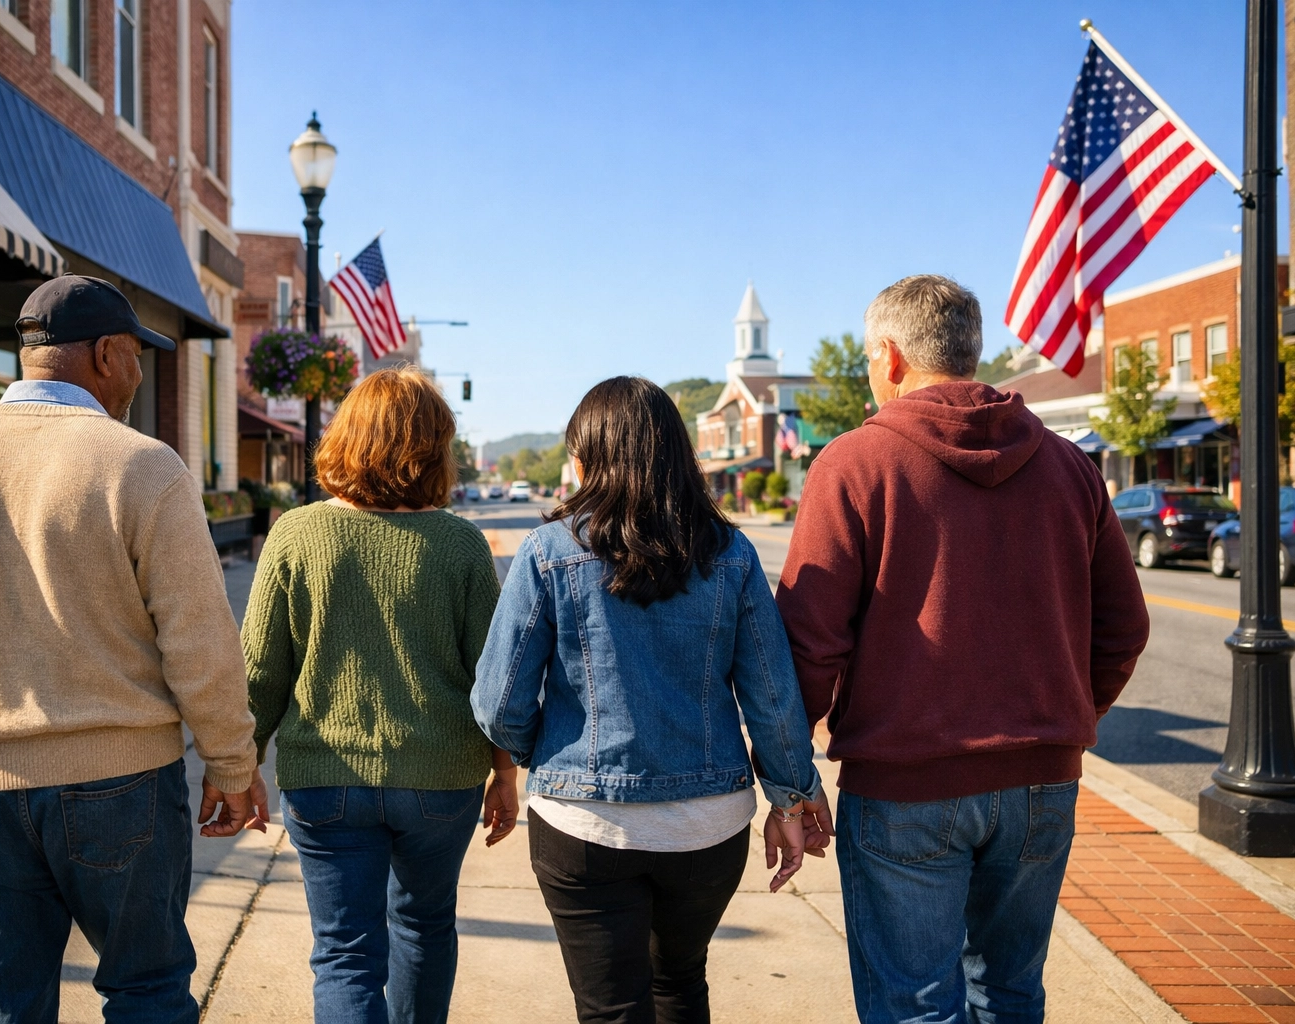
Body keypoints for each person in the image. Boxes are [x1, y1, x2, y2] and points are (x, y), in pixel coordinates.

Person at [0, 275, 270, 1023]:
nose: (140, 373)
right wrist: (232, 764)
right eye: (138, 355)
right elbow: (200, 640)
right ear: (107, 354)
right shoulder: (143, 466)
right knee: (145, 992)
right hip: (122, 782)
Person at [776, 275, 1150, 1024]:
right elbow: (1123, 628)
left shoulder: (855, 463)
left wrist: (791, 775)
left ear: (887, 357)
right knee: (1010, 994)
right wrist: (1063, 715)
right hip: (1044, 783)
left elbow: (809, 644)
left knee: (914, 1007)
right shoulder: (1071, 466)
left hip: (906, 785)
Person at [472, 376, 830, 1024]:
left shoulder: (549, 550)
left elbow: (500, 701)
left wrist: (541, 757)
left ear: (584, 460)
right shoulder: (731, 553)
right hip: (709, 826)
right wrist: (791, 793)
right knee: (681, 987)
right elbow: (772, 698)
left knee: (611, 1008)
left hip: (583, 826)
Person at [242, 366, 518, 1023]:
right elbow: (495, 679)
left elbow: (260, 668)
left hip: (324, 777)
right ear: (435, 446)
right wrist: (505, 772)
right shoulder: (461, 545)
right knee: (425, 928)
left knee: (344, 954)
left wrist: (239, 763)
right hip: (439, 779)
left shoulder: (297, 533)